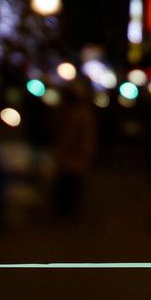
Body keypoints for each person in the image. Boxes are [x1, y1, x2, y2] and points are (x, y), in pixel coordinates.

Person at [51, 83, 98, 218]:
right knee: (65, 184)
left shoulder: (82, 114)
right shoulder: (65, 111)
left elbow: (86, 136)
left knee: (72, 184)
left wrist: (84, 152)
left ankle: (69, 210)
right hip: (65, 155)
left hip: (75, 157)